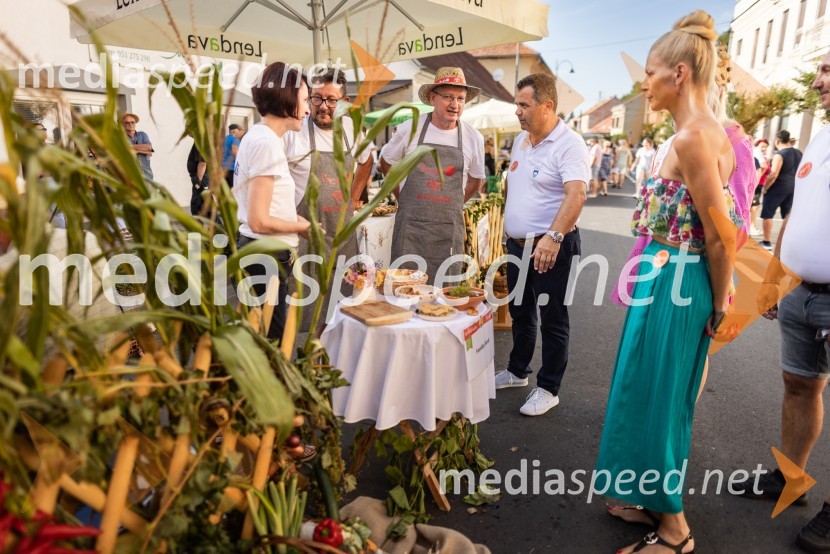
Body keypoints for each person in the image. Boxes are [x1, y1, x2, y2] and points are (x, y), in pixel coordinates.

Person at [596, 11, 742, 553]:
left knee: (658, 395)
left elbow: (720, 236)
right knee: (648, 387)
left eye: (651, 73)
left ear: (679, 74)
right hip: (667, 273)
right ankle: (653, 502)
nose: (644, 83)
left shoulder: (693, 139)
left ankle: (675, 531)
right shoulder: (702, 133)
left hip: (677, 278)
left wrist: (721, 301)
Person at [733, 48, 830, 554]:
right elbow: (797, 212)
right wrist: (774, 277)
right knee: (799, 385)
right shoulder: (821, 137)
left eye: (827, 71)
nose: (817, 82)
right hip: (800, 290)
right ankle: (791, 478)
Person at [495, 72, 589, 416]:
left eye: (524, 105)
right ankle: (518, 371)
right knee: (520, 311)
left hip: (552, 246)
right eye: (516, 104)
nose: (517, 112)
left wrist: (552, 236)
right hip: (518, 245)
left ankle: (549, 388)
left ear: (547, 106)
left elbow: (577, 194)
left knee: (552, 317)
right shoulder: (522, 140)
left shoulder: (570, 144)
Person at [283, 68, 373, 327]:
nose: (323, 106)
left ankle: (332, 362)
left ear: (344, 103)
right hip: (305, 236)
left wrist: (353, 198)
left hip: (342, 236)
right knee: (304, 312)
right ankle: (306, 361)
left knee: (341, 311)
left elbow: (366, 163)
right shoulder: (294, 131)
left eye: (331, 100)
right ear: (308, 98)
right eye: (317, 98)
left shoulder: (351, 130)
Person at [379, 67, 486, 284]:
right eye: (448, 97)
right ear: (433, 97)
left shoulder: (473, 137)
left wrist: (453, 203)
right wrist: (403, 199)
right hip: (411, 229)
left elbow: (476, 180)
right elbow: (387, 163)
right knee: (404, 291)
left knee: (445, 295)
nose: (454, 104)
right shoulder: (410, 128)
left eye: (460, 98)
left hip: (448, 231)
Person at [234, 62, 311, 341]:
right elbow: (259, 220)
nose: (307, 109)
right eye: (304, 100)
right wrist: (300, 226)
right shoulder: (266, 143)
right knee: (275, 346)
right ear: (287, 99)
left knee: (265, 340)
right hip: (264, 256)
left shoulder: (261, 137)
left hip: (260, 254)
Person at [761, 129, 802, 250]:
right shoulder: (799, 153)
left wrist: (765, 188)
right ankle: (786, 244)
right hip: (793, 187)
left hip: (778, 187)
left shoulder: (780, 154)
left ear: (777, 141)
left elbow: (773, 174)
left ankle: (766, 242)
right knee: (787, 216)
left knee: (767, 214)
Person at [121, 113, 154, 180]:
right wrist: (143, 149)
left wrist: (131, 147)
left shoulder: (142, 135)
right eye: (127, 123)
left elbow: (149, 149)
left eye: (132, 122)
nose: (130, 124)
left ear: (135, 123)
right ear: (123, 124)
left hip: (146, 173)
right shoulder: (120, 137)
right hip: (130, 174)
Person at [752, 138, 771, 236]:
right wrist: (759, 175)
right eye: (762, 146)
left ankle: (752, 225)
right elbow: (764, 167)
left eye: (765, 147)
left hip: (760, 184)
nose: (764, 148)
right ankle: (752, 226)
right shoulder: (757, 153)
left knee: (755, 206)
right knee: (754, 206)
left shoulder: (763, 156)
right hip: (756, 183)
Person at [187, 141, 208, 216]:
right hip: (202, 178)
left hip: (201, 179)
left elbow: (202, 163)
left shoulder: (201, 141)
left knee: (197, 206)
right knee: (203, 205)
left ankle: (217, 225)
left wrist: (198, 181)